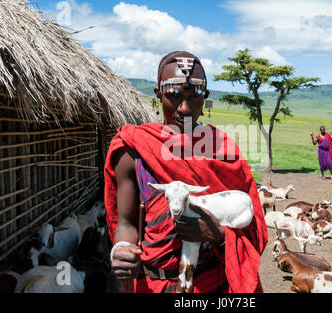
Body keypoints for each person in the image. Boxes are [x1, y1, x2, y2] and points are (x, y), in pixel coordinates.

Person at [104, 51, 268, 293]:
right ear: (158, 94)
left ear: (207, 98)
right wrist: (122, 249)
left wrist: (218, 234)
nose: (184, 108)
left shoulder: (223, 151)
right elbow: (126, 222)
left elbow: (252, 224)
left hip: (213, 283)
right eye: (173, 95)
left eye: (195, 97)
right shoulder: (134, 148)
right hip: (153, 284)